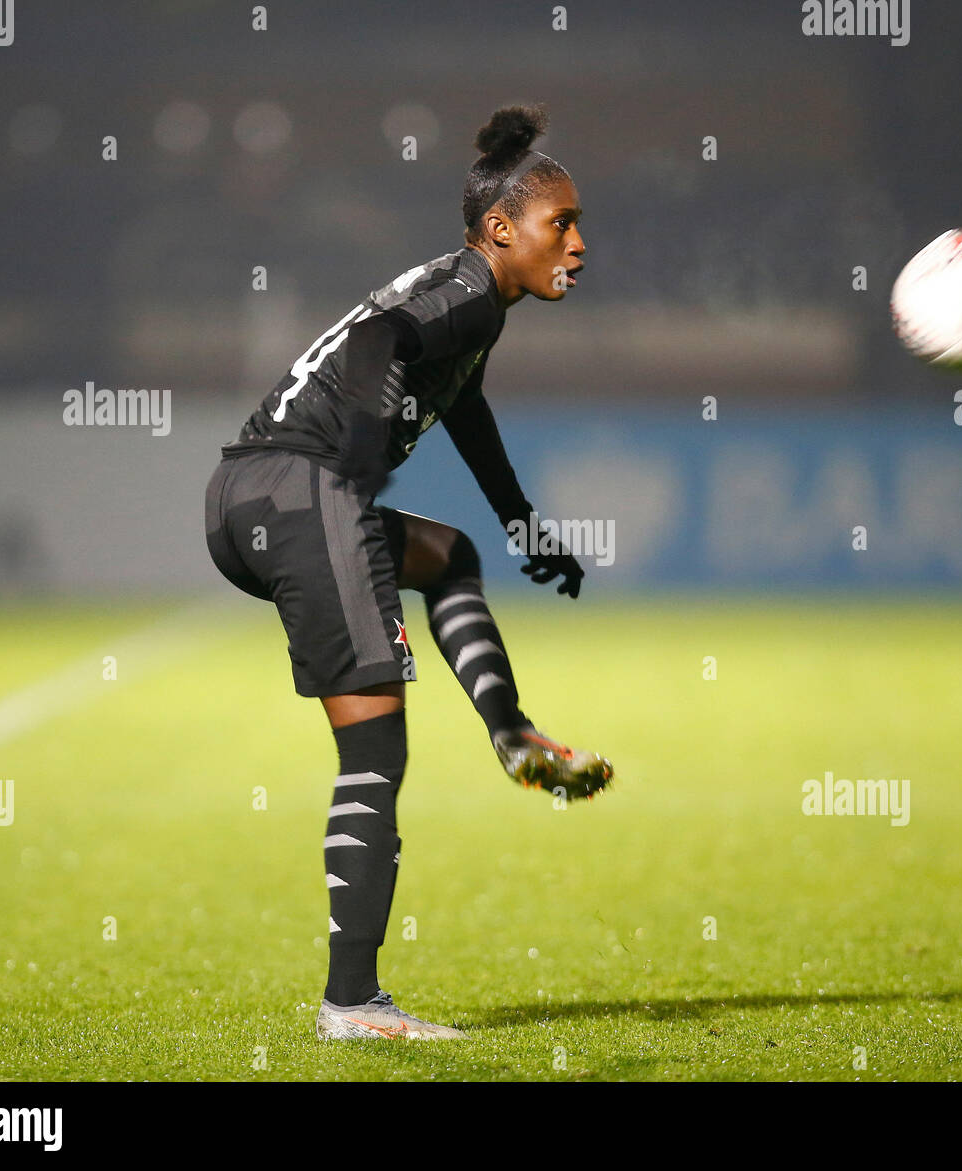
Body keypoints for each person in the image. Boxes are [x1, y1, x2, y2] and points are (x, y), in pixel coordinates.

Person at [203, 104, 614, 1041]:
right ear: (501, 229)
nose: (580, 244)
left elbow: (464, 410)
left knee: (446, 555)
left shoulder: (473, 301)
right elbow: (379, 345)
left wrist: (522, 524)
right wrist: (358, 461)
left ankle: (513, 735)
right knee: (377, 755)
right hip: (301, 489)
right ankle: (351, 1003)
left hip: (253, 496)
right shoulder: (468, 290)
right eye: (564, 224)